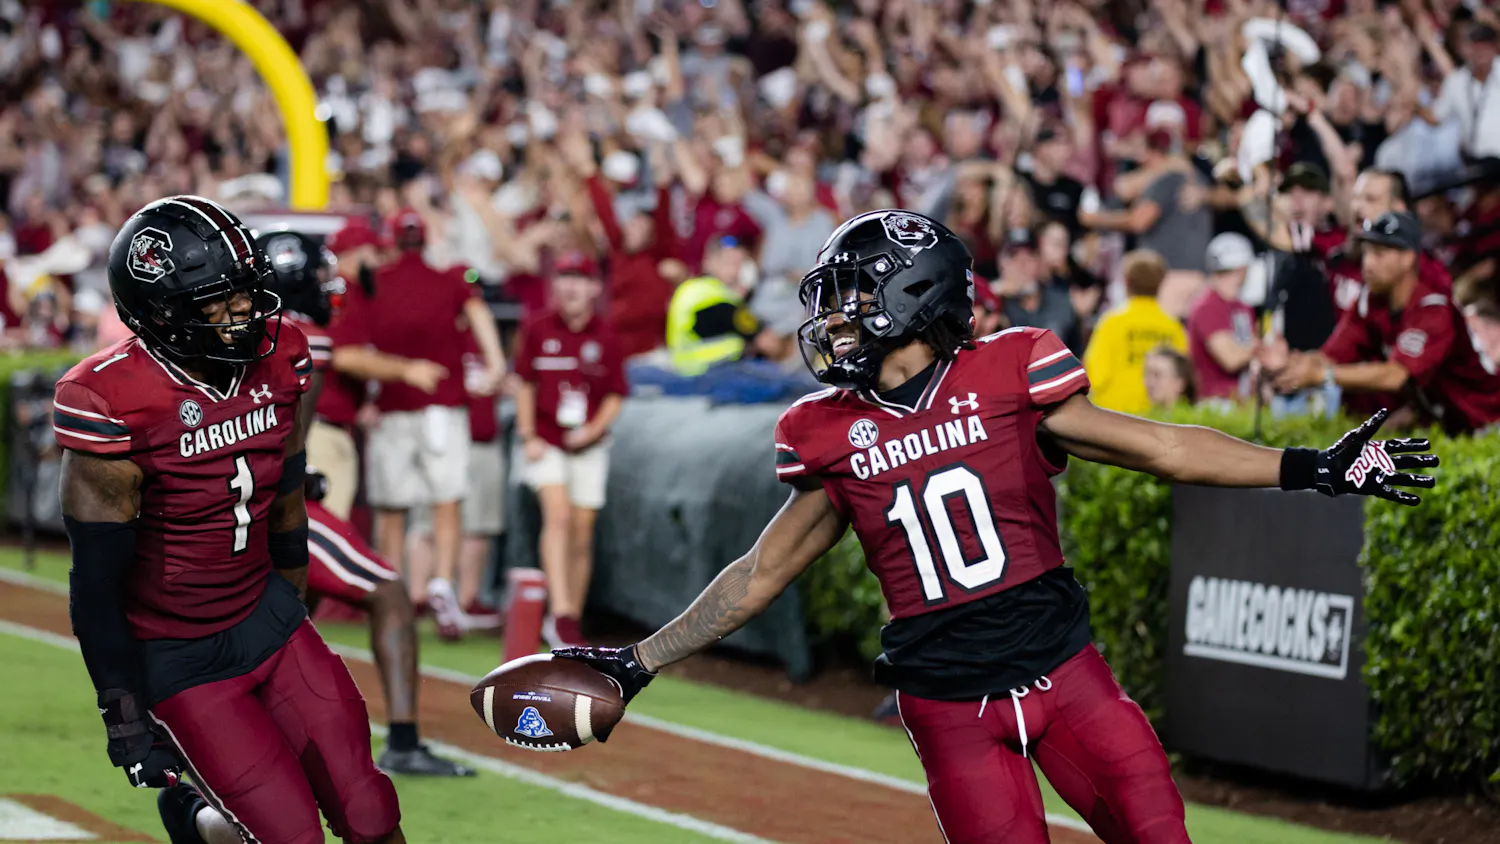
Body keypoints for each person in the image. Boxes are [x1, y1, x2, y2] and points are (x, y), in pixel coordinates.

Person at [554, 209, 1437, 844]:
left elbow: (1161, 445)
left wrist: (1315, 467)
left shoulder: (1011, 371)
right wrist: (639, 662)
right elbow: (758, 574)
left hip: (1066, 675)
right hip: (949, 708)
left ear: (912, 295)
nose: (832, 319)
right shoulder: (828, 430)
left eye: (855, 296)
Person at [55, 195, 403, 843]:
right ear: (160, 312)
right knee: (291, 837)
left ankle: (204, 827)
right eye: (219, 298)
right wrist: (124, 714)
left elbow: (289, 490)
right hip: (180, 655)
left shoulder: (283, 354)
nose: (244, 308)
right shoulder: (111, 398)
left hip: (265, 618)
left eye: (245, 289)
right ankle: (205, 821)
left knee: (370, 815)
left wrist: (291, 602)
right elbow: (96, 582)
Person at [250, 229, 473, 777]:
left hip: (231, 500)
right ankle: (400, 739)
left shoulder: (242, 337)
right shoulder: (307, 340)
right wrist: (300, 482)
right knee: (386, 590)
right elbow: (288, 449)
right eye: (321, 275)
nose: (333, 285)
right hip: (269, 507)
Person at [346, 209, 506, 641]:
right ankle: (440, 584)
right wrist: (496, 364)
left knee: (393, 509)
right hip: (443, 407)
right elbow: (479, 314)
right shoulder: (449, 279)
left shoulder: (374, 283)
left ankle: (391, 587)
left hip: (393, 406)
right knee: (446, 502)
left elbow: (357, 347)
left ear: (393, 242)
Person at [1269, 212, 1500, 435]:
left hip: (1490, 420)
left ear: (1408, 258)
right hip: (1449, 420)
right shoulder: (1370, 301)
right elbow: (1332, 356)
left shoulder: (1432, 308)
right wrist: (1291, 364)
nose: (1367, 264)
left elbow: (1395, 375)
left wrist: (1322, 375)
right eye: (1367, 252)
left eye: (1379, 254)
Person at [515, 254, 629, 648]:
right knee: (558, 513)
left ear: (595, 287)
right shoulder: (537, 327)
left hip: (589, 443)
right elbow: (524, 383)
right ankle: (561, 613)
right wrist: (528, 433)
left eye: (580, 277)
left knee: (582, 530)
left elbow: (616, 394)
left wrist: (593, 430)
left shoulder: (607, 335)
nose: (571, 285)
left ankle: (570, 620)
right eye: (564, 276)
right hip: (546, 438)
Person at [1082, 249, 1188, 415]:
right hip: (1160, 420)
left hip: (1116, 418)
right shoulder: (1174, 328)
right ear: (1160, 283)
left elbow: (1094, 376)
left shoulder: (1111, 323)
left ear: (1127, 282)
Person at [665, 235, 761, 376]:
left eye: (741, 263)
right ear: (709, 262)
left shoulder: (710, 289)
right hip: (707, 370)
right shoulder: (704, 292)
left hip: (706, 369)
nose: (736, 270)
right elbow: (751, 330)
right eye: (729, 262)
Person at [1187, 233, 1258, 402]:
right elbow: (1230, 359)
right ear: (1242, 268)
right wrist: (1261, 348)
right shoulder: (1207, 306)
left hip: (1240, 398)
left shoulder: (1242, 306)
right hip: (1214, 400)